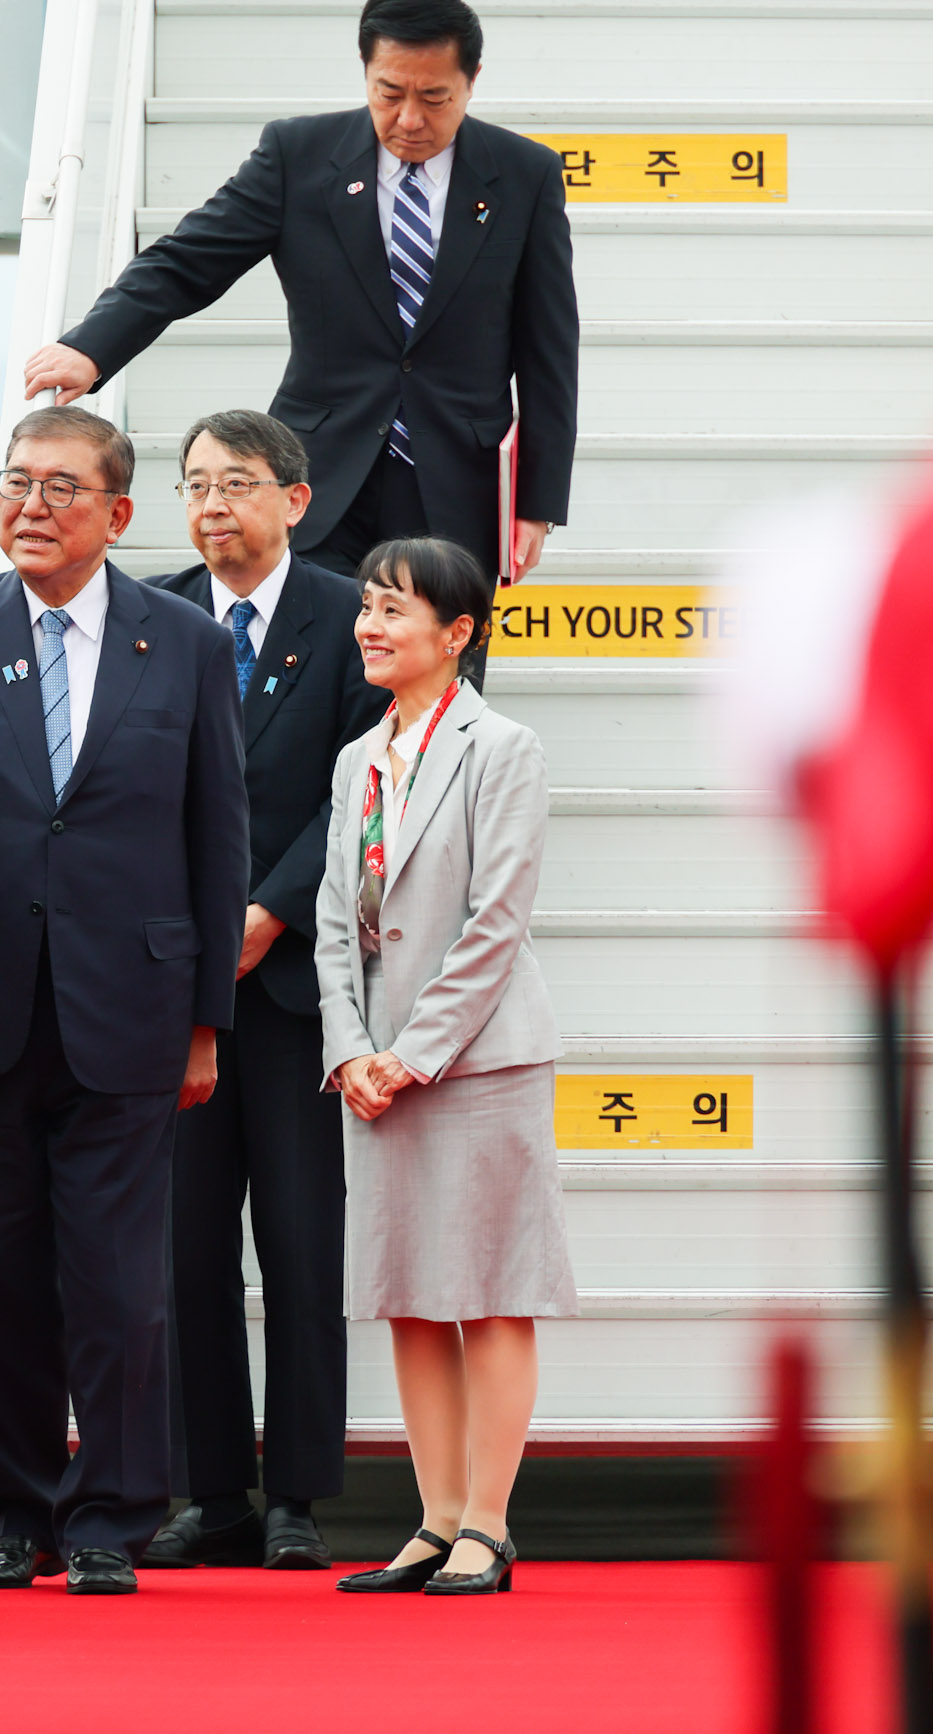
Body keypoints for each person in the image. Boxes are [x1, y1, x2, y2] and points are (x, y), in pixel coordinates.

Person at [0, 406, 247, 1596]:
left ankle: (112, 1518)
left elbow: (216, 837)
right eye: (15, 482)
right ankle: (16, 1512)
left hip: (131, 1003)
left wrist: (207, 1016)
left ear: (117, 515)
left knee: (118, 1281)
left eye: (61, 488)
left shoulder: (178, 641)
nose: (31, 505)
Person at [22, 0, 578, 627]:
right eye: (389, 93)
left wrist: (535, 503)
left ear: (472, 81)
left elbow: (549, 351)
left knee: (439, 689)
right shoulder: (299, 156)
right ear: (365, 71)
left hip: (457, 483)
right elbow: (189, 261)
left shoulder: (525, 174)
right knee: (302, 683)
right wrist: (91, 348)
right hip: (314, 476)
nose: (409, 118)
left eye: (435, 97)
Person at [144, 411, 386, 1571]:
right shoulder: (148, 613)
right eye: (193, 484)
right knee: (185, 1252)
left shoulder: (349, 614)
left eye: (234, 484)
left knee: (298, 1242)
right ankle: (211, 1494)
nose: (210, 506)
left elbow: (360, 789)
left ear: (293, 498)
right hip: (167, 988)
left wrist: (270, 910)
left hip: (290, 988)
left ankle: (294, 1494)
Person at [313, 536, 573, 1598]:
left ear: (456, 633)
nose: (369, 626)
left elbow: (495, 921)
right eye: (365, 607)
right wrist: (347, 1051)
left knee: (490, 1294)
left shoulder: (500, 747)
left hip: (474, 1062)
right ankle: (431, 1522)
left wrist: (409, 1056)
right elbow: (335, 920)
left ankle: (489, 1525)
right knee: (408, 1296)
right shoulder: (354, 759)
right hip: (374, 1068)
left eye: (392, 610)